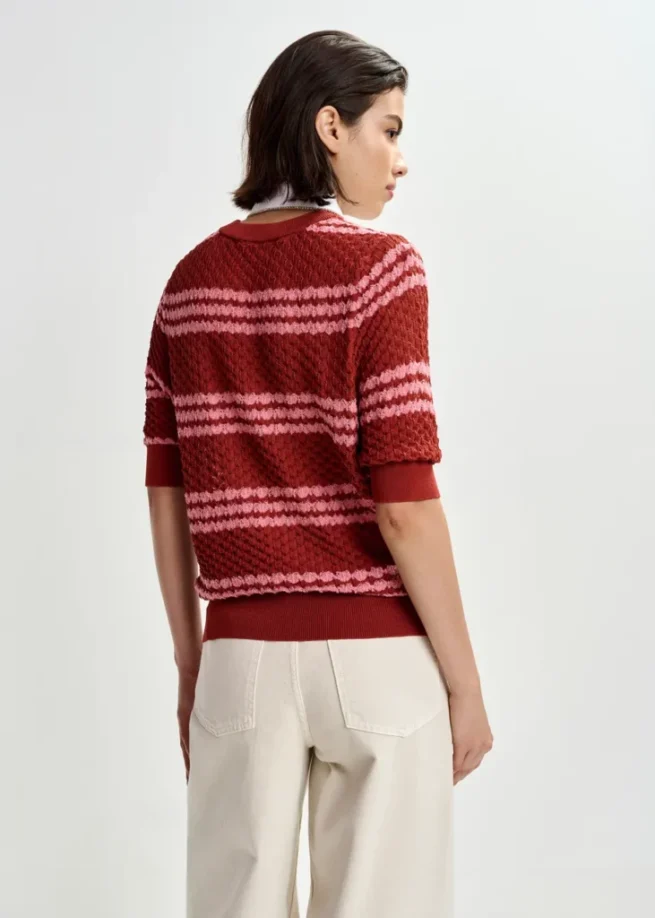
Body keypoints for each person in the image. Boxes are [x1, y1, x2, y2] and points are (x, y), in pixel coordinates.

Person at [143, 28, 493, 918]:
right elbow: (403, 503)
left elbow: (167, 490)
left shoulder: (188, 284)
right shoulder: (381, 270)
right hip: (376, 661)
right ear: (330, 127)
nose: (400, 160)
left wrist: (192, 662)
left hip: (238, 659)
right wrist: (464, 684)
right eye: (389, 130)